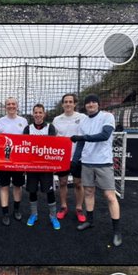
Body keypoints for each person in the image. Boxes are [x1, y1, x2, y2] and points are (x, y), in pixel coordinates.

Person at [72, 93, 122, 246]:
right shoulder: (83, 121)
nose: (91, 104)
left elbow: (105, 135)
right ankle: (90, 221)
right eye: (88, 103)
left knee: (109, 195)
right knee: (88, 192)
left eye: (94, 102)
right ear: (85, 106)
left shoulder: (107, 117)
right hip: (87, 162)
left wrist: (83, 138)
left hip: (103, 163)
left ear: (98, 104)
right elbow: (80, 143)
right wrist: (75, 160)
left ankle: (117, 231)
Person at [23, 104, 61, 229]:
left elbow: (52, 146)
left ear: (44, 114)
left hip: (46, 167)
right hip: (32, 167)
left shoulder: (50, 127)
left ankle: (53, 216)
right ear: (33, 114)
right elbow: (24, 147)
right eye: (36, 112)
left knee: (49, 192)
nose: (38, 115)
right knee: (32, 191)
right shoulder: (27, 128)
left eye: (40, 112)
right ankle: (34, 214)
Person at [51, 92, 86, 221]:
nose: (68, 104)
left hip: (78, 157)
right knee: (63, 182)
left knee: (78, 183)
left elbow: (84, 137)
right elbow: (54, 139)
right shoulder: (57, 119)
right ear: (62, 104)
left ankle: (79, 208)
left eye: (70, 101)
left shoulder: (82, 117)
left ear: (75, 103)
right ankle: (63, 206)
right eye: (66, 102)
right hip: (62, 157)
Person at [0, 97, 28, 224]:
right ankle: (5, 213)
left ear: (17, 106)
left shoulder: (23, 121)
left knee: (17, 186)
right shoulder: (0, 121)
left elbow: (26, 141)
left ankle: (17, 210)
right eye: (8, 104)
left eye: (13, 104)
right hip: (4, 159)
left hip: (18, 160)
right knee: (4, 186)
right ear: (5, 107)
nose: (11, 106)